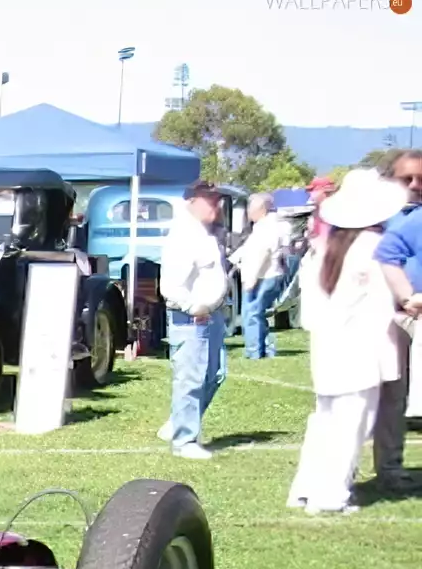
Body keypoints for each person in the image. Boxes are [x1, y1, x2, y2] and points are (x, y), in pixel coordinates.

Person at [287, 170, 409, 515]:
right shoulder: (374, 247)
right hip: (360, 347)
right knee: (352, 422)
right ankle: (332, 494)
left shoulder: (325, 246)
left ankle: (306, 487)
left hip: (328, 344)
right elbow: (383, 300)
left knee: (325, 419)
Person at [157, 181, 230, 459]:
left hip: (211, 315)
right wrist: (193, 307)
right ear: (192, 201)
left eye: (217, 200)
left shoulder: (205, 234)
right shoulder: (183, 236)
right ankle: (184, 440)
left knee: (216, 373)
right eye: (210, 200)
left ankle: (179, 423)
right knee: (191, 378)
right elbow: (171, 287)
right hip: (192, 318)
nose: (217, 206)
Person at [368, 149, 422, 493]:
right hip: (383, 316)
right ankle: (388, 466)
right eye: (407, 179)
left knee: (398, 395)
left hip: (413, 315)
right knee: (388, 394)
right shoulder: (372, 219)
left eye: (421, 180)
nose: (415, 186)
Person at [231, 193, 292, 360]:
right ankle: (264, 349)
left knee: (251, 313)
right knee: (257, 314)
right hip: (265, 274)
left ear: (260, 209)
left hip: (263, 276)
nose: (248, 212)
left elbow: (264, 252)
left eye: (250, 208)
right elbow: (249, 249)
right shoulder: (263, 226)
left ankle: (254, 351)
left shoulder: (267, 227)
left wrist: (252, 276)